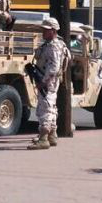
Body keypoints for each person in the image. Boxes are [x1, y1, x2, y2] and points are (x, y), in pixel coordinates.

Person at [28, 17, 69, 150]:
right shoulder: (54, 44)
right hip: (48, 80)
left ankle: (44, 138)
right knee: (51, 106)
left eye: (45, 30)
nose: (43, 33)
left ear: (53, 31)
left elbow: (54, 68)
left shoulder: (54, 46)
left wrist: (43, 82)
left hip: (48, 81)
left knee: (45, 108)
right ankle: (52, 135)